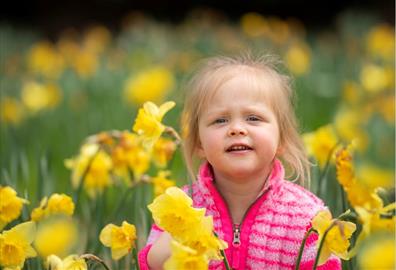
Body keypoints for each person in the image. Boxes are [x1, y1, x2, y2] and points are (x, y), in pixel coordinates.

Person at [138, 54, 341, 269]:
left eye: (253, 118)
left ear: (281, 138)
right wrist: (166, 249)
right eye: (220, 120)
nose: (236, 128)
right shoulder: (179, 207)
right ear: (198, 143)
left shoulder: (306, 218)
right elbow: (152, 263)